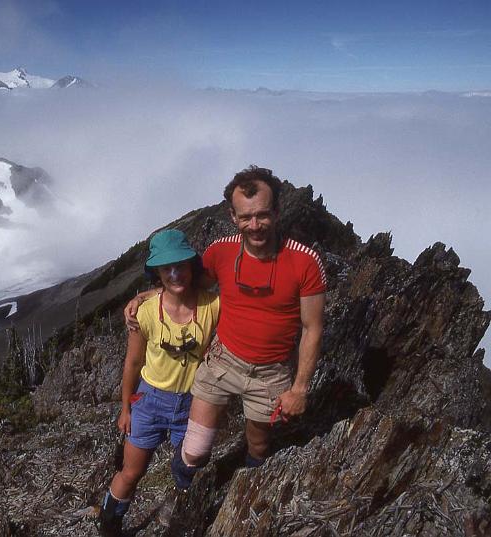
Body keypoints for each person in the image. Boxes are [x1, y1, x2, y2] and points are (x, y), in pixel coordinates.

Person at [125, 165, 326, 488]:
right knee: (194, 450)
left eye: (262, 215)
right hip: (221, 362)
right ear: (233, 216)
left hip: (270, 374)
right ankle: (184, 497)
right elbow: (186, 285)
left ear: (276, 211)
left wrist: (299, 389)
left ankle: (244, 496)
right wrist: (151, 295)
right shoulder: (221, 252)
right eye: (246, 217)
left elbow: (313, 327)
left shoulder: (304, 262)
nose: (255, 225)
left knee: (259, 446)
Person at [99, 229, 220, 536]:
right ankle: (109, 525)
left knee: (189, 474)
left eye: (181, 264)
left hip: (193, 403)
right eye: (167, 268)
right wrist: (125, 408)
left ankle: (181, 520)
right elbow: (133, 363)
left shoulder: (213, 306)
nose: (175, 273)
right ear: (157, 272)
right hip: (149, 401)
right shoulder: (146, 313)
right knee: (131, 472)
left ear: (192, 265)